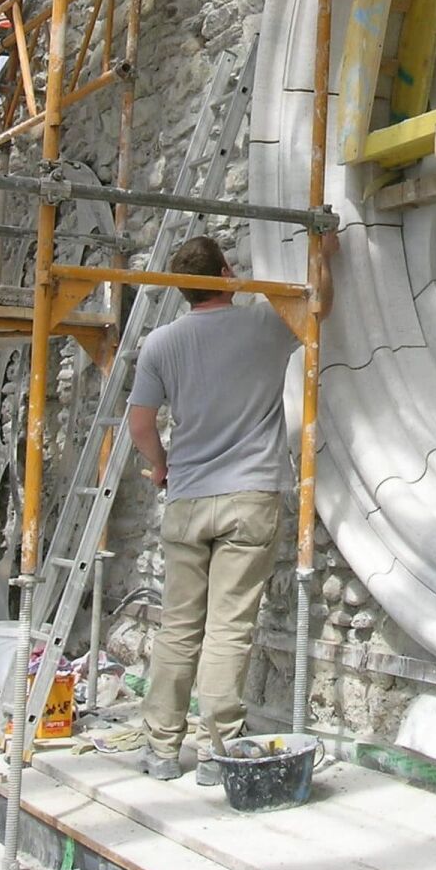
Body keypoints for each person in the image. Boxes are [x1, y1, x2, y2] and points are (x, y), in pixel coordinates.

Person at [128, 231, 333, 781]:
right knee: (229, 627)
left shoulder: (160, 343)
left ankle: (162, 750)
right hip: (250, 495)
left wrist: (161, 465)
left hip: (188, 496)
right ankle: (216, 752)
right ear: (225, 275)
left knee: (178, 626)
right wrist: (324, 253)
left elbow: (141, 425)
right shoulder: (264, 324)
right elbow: (320, 303)